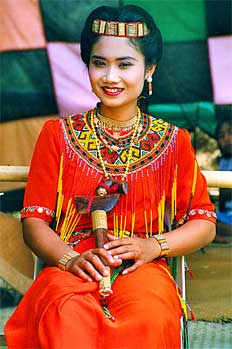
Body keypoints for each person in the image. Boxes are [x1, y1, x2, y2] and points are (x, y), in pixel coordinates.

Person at [5, 5, 216, 349]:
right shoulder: (56, 134)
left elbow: (204, 221)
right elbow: (34, 223)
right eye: (99, 63)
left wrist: (153, 246)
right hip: (72, 265)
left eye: (125, 64)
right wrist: (69, 259)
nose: (110, 76)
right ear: (87, 67)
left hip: (142, 268)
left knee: (149, 317)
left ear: (150, 70)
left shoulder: (174, 141)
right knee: (64, 312)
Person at [214, 119, 232, 242]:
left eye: (230, 133)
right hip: (227, 216)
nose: (227, 138)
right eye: (221, 136)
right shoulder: (223, 161)